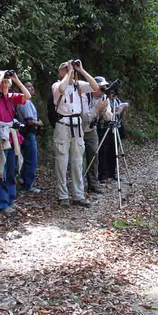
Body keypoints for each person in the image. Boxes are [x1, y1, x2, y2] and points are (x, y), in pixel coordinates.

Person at [52, 60, 100, 207]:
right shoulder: (56, 84)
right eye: (65, 69)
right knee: (62, 161)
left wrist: (81, 69)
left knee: (78, 161)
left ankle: (78, 195)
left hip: (77, 125)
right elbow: (61, 88)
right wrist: (70, 72)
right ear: (61, 72)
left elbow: (95, 87)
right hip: (63, 125)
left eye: (69, 68)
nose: (68, 70)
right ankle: (63, 196)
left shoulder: (79, 85)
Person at [0, 70, 31, 215]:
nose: (5, 83)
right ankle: (1, 203)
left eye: (7, 81)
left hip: (11, 135)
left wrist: (16, 79)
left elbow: (27, 96)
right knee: (0, 170)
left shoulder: (11, 97)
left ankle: (10, 200)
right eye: (3, 81)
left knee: (11, 170)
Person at [81, 77, 111, 194]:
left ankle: (93, 183)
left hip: (92, 130)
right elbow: (85, 117)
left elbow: (108, 117)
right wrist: (96, 108)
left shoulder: (103, 97)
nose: (103, 90)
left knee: (94, 155)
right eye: (101, 88)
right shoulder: (84, 96)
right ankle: (80, 186)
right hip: (80, 130)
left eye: (104, 88)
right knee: (79, 159)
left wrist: (104, 111)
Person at [97, 85, 129, 183]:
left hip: (115, 129)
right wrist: (116, 111)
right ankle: (103, 174)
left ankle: (113, 172)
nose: (112, 96)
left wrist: (123, 106)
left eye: (114, 93)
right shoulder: (103, 100)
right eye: (111, 93)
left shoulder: (117, 101)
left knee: (114, 151)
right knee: (103, 152)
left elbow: (125, 105)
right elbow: (105, 115)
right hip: (104, 128)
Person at [15, 81, 43, 194]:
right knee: (31, 159)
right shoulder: (25, 102)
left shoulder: (26, 101)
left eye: (32, 86)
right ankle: (27, 184)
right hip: (27, 133)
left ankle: (24, 181)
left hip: (25, 133)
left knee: (27, 159)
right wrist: (39, 123)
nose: (31, 88)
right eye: (28, 87)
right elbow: (29, 121)